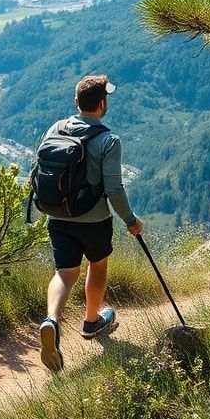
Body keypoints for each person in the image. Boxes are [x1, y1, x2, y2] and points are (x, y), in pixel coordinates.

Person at [36, 74, 144, 372]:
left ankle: (51, 320)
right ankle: (91, 321)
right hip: (94, 220)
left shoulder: (55, 128)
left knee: (65, 273)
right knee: (97, 265)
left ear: (75, 103)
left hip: (57, 215)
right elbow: (114, 189)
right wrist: (130, 220)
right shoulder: (108, 140)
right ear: (102, 104)